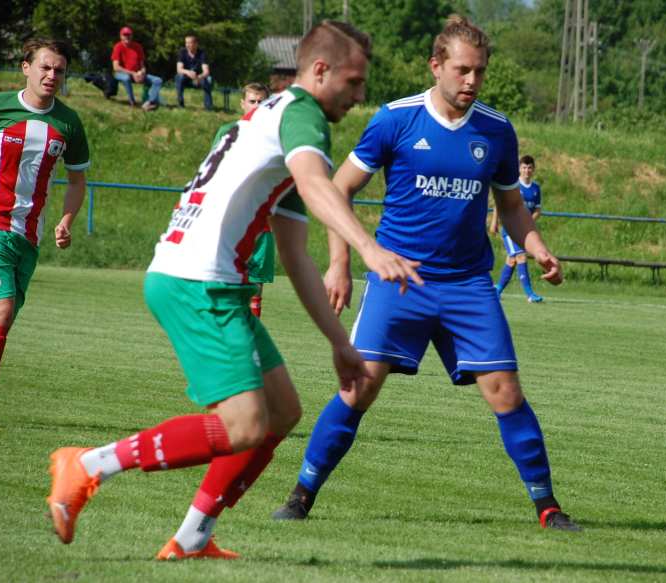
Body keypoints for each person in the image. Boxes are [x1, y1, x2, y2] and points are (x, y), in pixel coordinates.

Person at [45, 21, 423, 559]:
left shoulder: (269, 118)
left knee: (282, 411)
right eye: (355, 82)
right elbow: (319, 186)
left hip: (200, 277)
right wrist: (369, 248)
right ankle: (85, 465)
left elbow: (293, 251)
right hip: (199, 281)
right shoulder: (303, 115)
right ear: (320, 71)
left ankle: (194, 536)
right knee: (244, 424)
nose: (361, 96)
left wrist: (340, 341)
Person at [272, 15, 581, 532]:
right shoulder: (395, 120)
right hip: (400, 281)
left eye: (480, 72)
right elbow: (338, 189)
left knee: (505, 391)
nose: (472, 81)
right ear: (436, 66)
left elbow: (509, 204)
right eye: (462, 70)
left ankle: (548, 507)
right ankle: (301, 495)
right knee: (359, 388)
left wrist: (538, 246)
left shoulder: (497, 129)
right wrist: (341, 263)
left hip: (467, 285)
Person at [0, 38, 90, 431]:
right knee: (2, 310)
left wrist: (66, 220)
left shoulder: (69, 123)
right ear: (25, 67)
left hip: (29, 230)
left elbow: (77, 181)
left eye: (59, 69)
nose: (51, 75)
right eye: (44, 67)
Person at [212, 82, 271, 316]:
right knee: (226, 282)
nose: (256, 106)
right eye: (252, 101)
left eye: (261, 102)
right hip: (232, 222)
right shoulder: (228, 132)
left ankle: (251, 341)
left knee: (255, 286)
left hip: (263, 225)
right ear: (242, 104)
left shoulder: (276, 137)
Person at [490, 154, 544, 302]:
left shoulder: (536, 189)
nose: (527, 170)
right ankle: (530, 294)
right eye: (524, 167)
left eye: (530, 168)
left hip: (524, 231)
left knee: (512, 260)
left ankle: (497, 289)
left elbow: (538, 210)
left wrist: (528, 222)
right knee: (521, 256)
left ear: (533, 169)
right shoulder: (513, 185)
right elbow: (499, 204)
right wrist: (494, 222)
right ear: (519, 169)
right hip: (509, 229)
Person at [111, 26, 163, 111]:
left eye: (129, 35)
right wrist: (133, 73)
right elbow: (116, 67)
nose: (127, 37)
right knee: (126, 78)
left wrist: (142, 73)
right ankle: (132, 101)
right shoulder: (118, 47)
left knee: (158, 80)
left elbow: (142, 65)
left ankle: (149, 102)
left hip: (137, 74)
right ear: (121, 36)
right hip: (121, 74)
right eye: (125, 35)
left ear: (132, 36)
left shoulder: (138, 47)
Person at [175, 34, 213, 110]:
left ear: (196, 44)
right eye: (186, 43)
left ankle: (208, 107)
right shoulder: (182, 52)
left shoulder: (202, 53)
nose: (187, 45)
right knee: (179, 77)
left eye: (190, 43)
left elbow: (206, 71)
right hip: (186, 78)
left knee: (208, 79)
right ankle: (180, 104)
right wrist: (188, 72)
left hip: (198, 78)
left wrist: (199, 77)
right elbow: (179, 69)